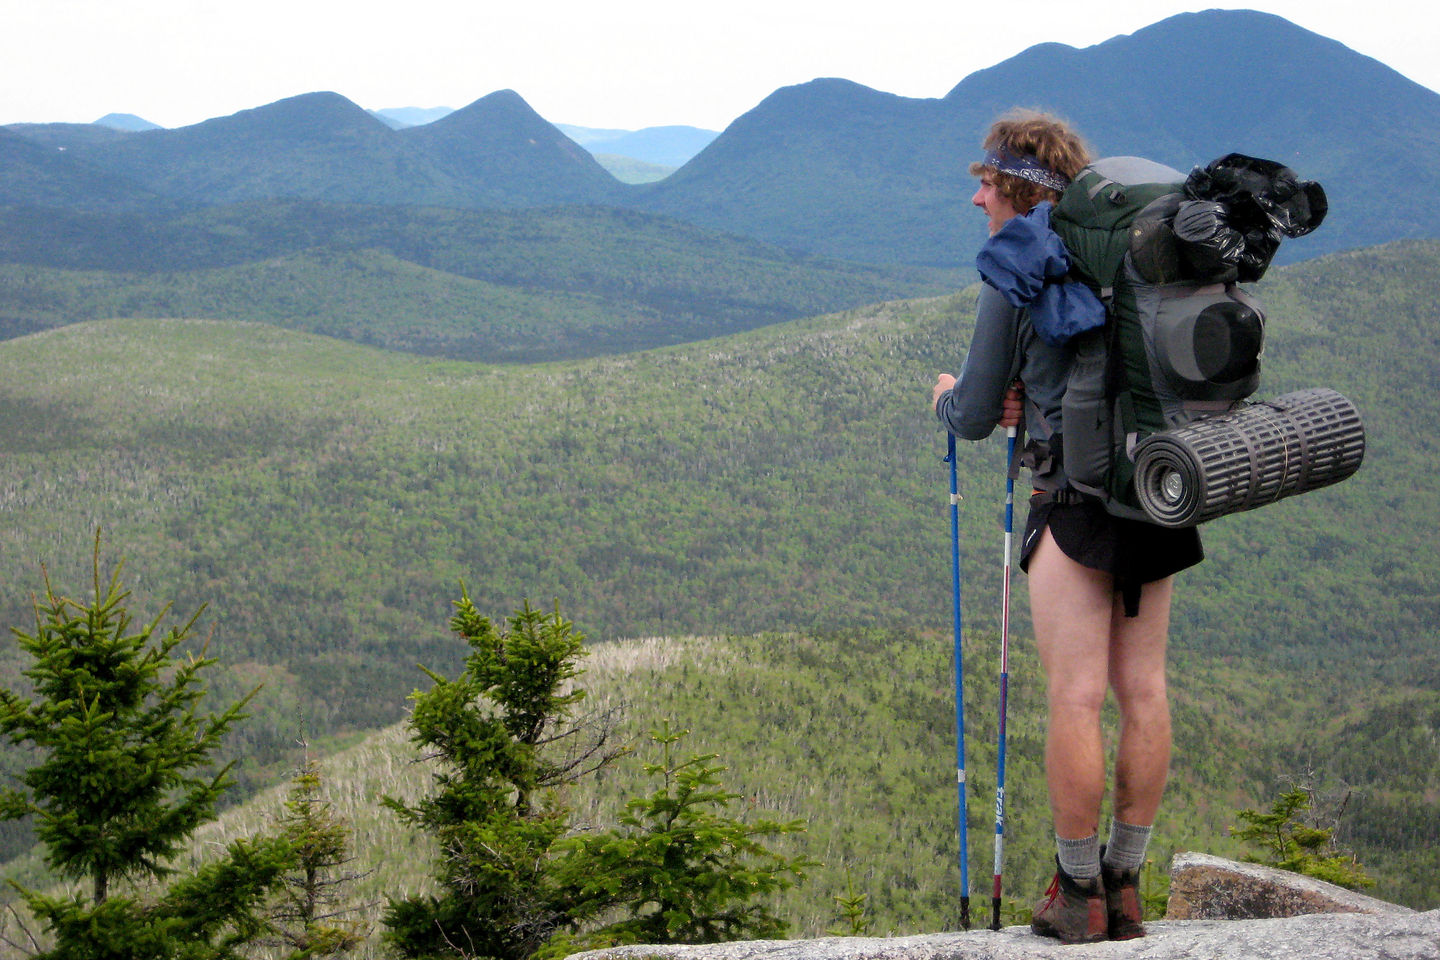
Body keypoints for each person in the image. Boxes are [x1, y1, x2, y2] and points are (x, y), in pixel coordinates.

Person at [930, 111, 1203, 944]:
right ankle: (1126, 888)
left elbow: (975, 412)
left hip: (1073, 502)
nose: (977, 196)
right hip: (1158, 486)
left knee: (1076, 698)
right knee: (1144, 690)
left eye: (987, 181)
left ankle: (1076, 893)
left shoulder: (1017, 268)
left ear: (1020, 187)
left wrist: (944, 396)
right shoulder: (1137, 261)